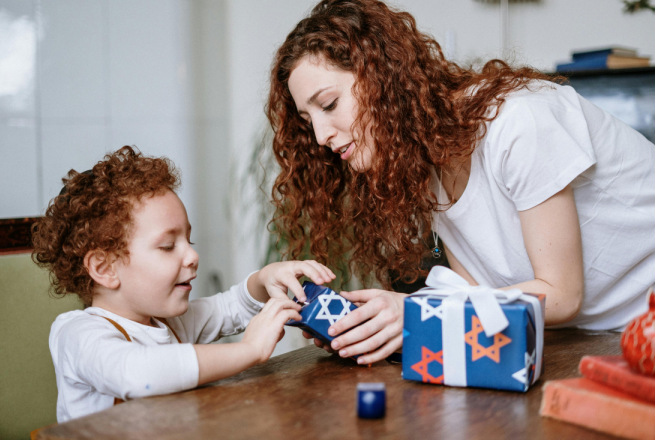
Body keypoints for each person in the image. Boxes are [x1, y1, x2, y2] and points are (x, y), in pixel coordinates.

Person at [266, 0, 655, 365]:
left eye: (329, 104)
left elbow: (563, 295)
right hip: (599, 342)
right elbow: (476, 300)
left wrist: (416, 312)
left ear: (382, 78)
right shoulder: (422, 163)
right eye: (307, 120)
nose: (319, 137)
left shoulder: (517, 121)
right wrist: (373, 323)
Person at [32, 146, 335, 422]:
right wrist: (250, 350)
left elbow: (229, 307)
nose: (192, 255)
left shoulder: (173, 322)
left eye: (188, 240)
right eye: (167, 246)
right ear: (104, 268)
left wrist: (265, 278)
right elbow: (137, 374)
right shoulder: (76, 333)